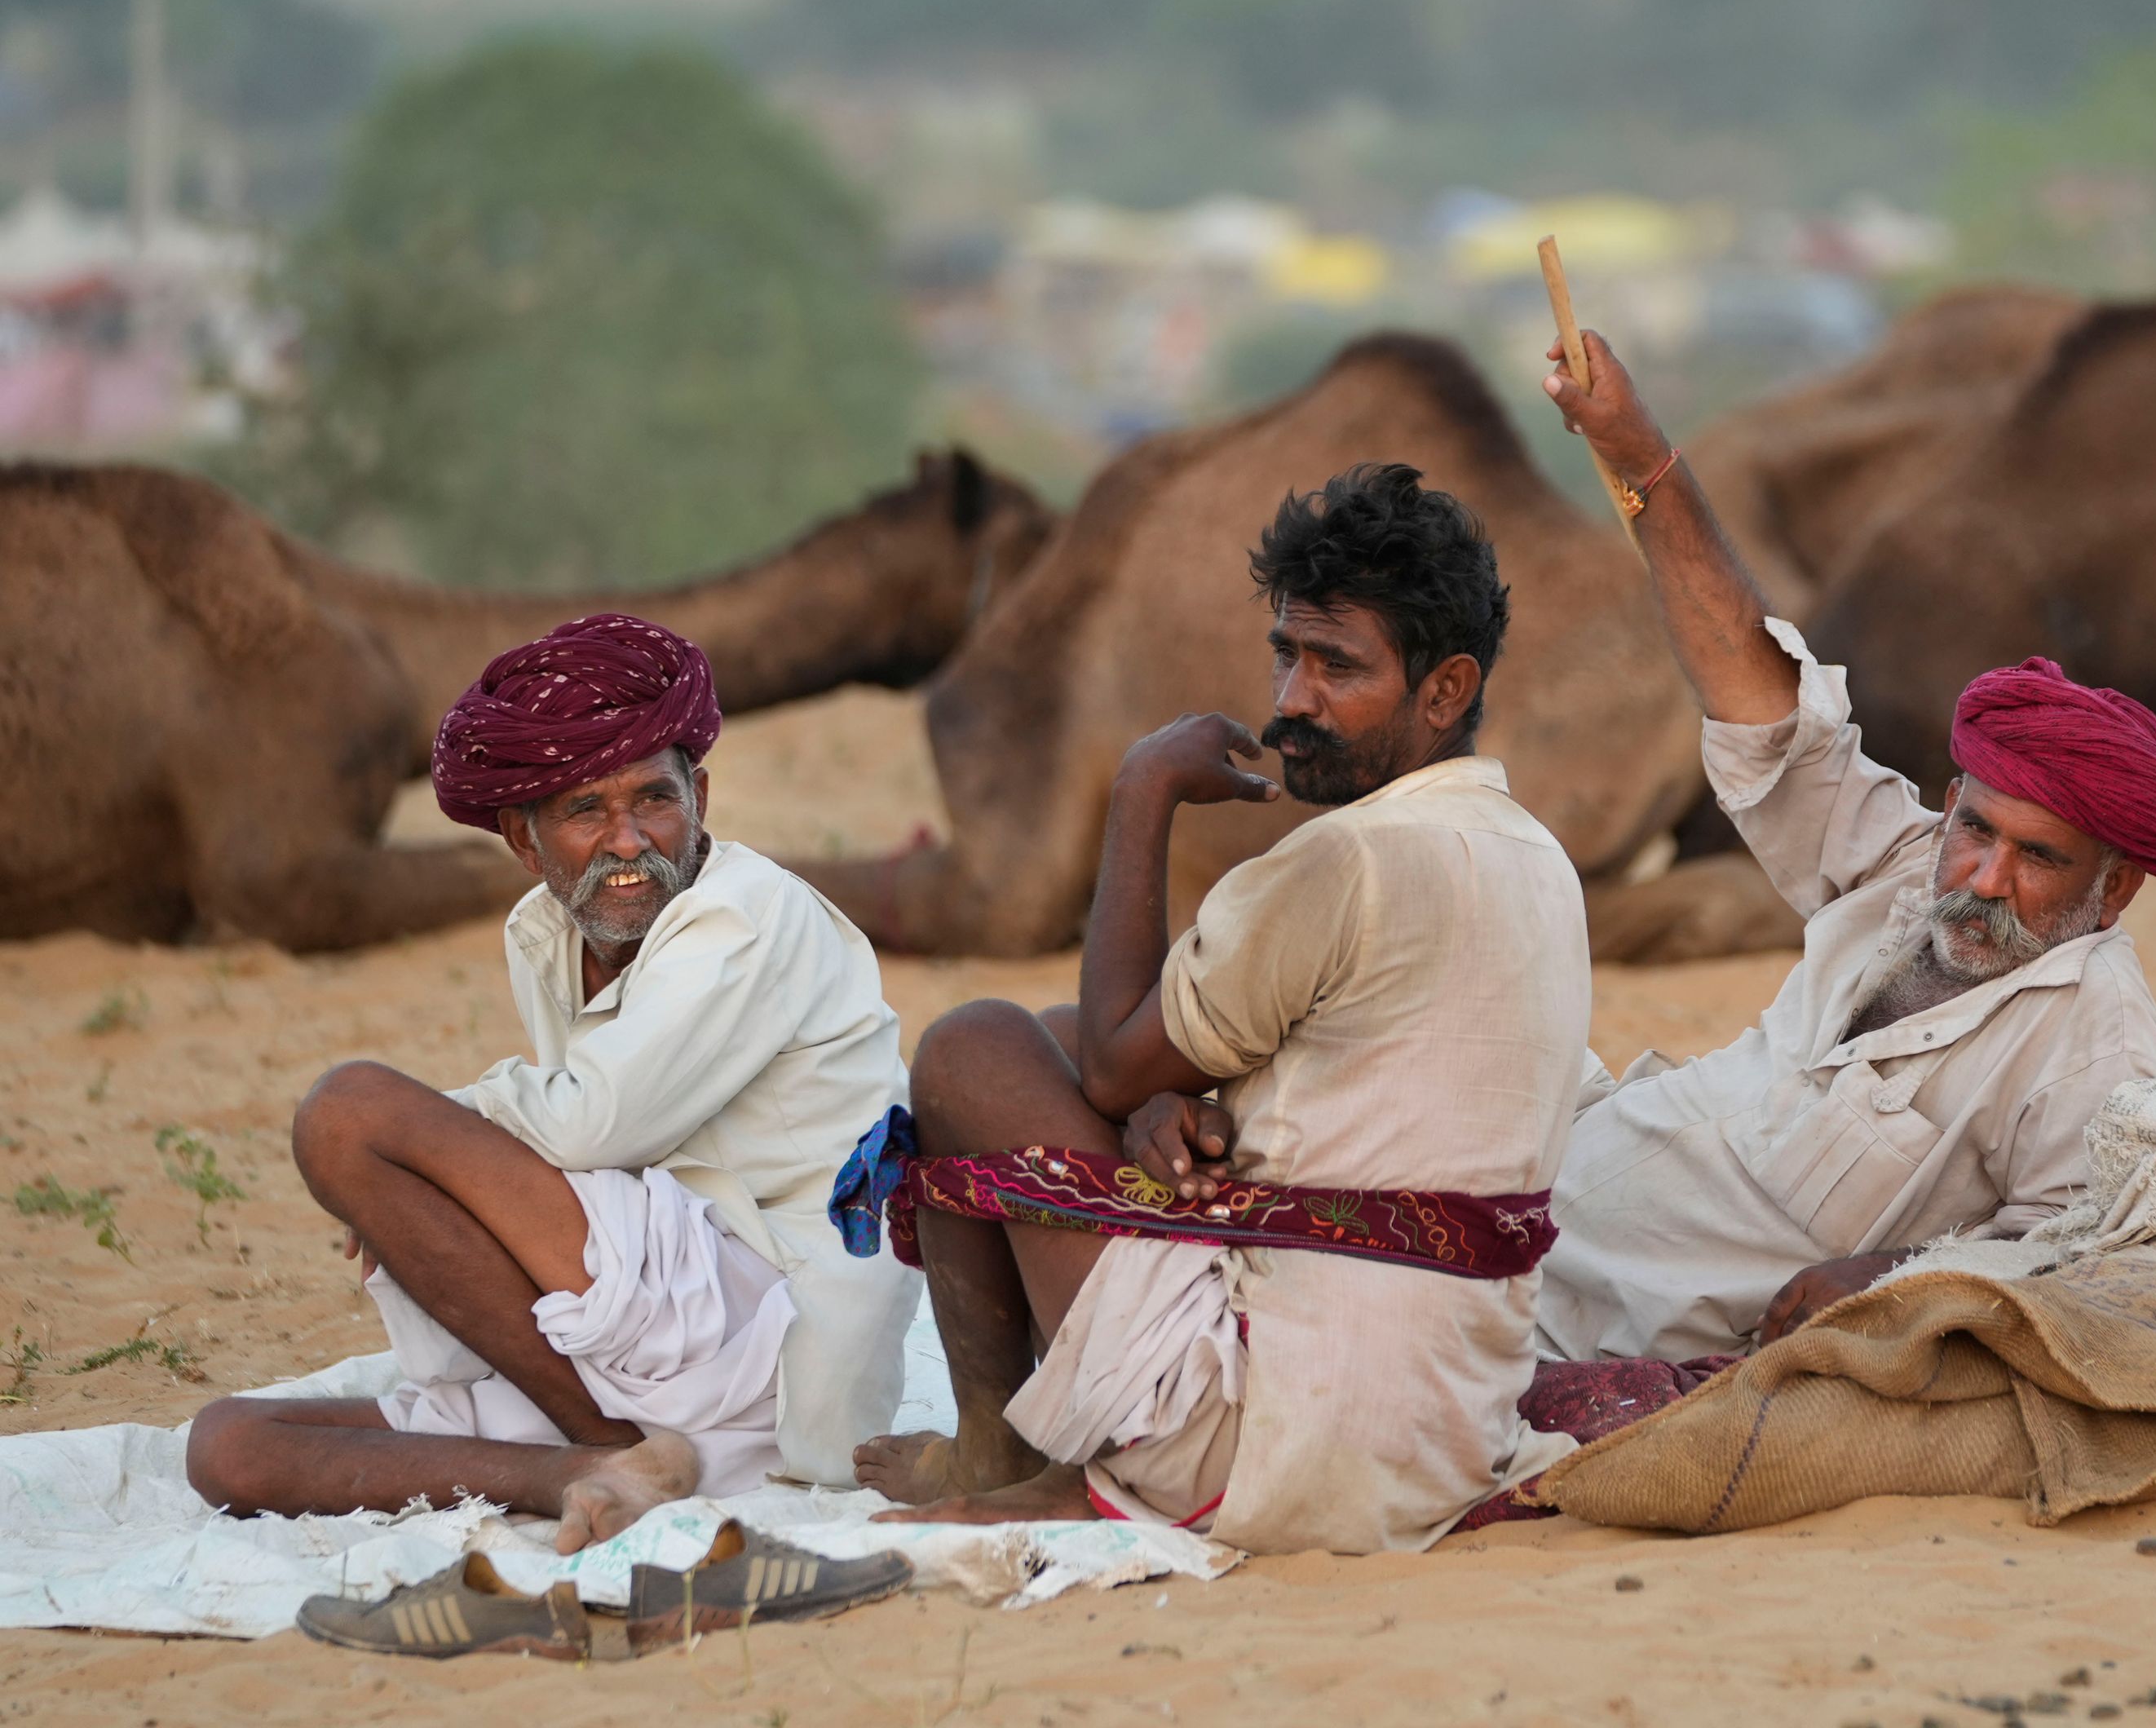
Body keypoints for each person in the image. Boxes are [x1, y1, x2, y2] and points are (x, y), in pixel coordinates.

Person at [849, 463, 1590, 1553]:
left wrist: (1142, 792)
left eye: (1339, 666)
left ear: (1444, 691)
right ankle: (1033, 1448)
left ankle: (1005, 1456)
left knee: (975, 1048)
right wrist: (1154, 1102)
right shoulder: (1536, 856)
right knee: (1056, 1041)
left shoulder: (1345, 860)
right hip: (1438, 1443)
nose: (1293, 698)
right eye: (1288, 654)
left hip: (1267, 1448)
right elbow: (1199, 1075)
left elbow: (1107, 1069)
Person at [1532, 329, 2156, 1363]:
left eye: (2039, 860)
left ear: (2113, 892)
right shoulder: (1907, 869)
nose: (1983, 880)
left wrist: (1893, 1275)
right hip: (1549, 1172)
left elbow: (2081, 1251)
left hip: (1588, 1315)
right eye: (1977, 830)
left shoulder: (2094, 1043)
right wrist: (1640, 455)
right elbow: (1760, 702)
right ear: (1951, 806)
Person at [184, 615, 920, 1551]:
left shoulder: (748, 914)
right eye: (584, 811)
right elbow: (585, 1153)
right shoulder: (548, 932)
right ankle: (593, 1469)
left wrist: (436, 1137)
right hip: (651, 1334)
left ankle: (605, 1437)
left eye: (653, 800)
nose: (625, 841)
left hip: (773, 1328)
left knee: (350, 1113)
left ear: (701, 796)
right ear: (525, 843)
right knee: (230, 1449)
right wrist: (430, 1176)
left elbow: (591, 1128)